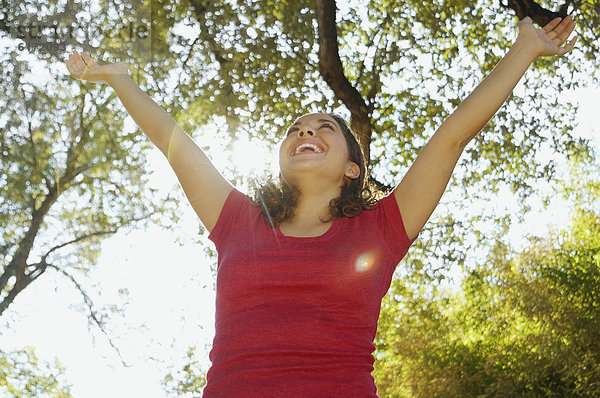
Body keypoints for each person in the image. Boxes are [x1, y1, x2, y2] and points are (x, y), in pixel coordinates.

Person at [65, 15, 577, 397]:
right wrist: (120, 79)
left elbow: (451, 138)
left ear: (353, 167)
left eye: (324, 127)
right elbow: (173, 142)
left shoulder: (383, 228)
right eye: (296, 129)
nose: (306, 131)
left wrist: (525, 50)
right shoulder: (237, 220)